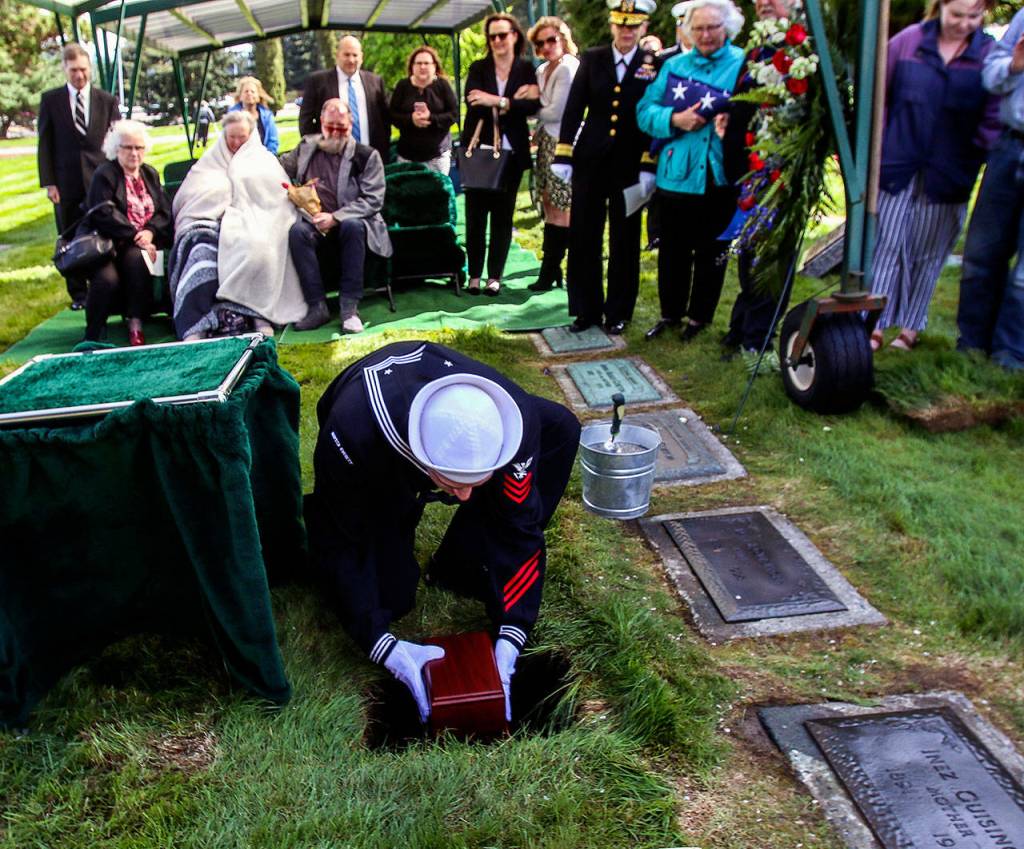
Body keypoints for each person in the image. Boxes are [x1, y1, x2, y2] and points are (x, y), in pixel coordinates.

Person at [305, 340, 580, 723]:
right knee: (392, 596)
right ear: (421, 457)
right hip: (373, 447)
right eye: (452, 483)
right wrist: (380, 644)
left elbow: (520, 527)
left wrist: (514, 627)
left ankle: (461, 566)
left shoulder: (514, 419)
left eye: (477, 481)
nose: (466, 497)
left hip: (432, 412)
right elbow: (340, 540)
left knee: (561, 427)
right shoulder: (354, 433)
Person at [868, 0, 1000, 354]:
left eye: (974, 16)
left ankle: (910, 327)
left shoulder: (988, 53)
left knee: (928, 253)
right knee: (884, 245)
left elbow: (993, 117)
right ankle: (874, 323)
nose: (964, 23)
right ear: (940, 7)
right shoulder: (909, 41)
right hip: (897, 164)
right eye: (957, 15)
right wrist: (877, 150)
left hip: (950, 172)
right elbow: (878, 96)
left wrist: (976, 157)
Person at [637, 0, 745, 342]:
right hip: (676, 174)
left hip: (719, 174)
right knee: (673, 251)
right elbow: (644, 112)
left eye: (713, 27)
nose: (706, 34)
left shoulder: (743, 63)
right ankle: (670, 314)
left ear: (727, 28)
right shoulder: (674, 66)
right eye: (698, 28)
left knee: (713, 251)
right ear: (687, 30)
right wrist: (674, 119)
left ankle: (699, 319)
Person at [553, 0, 660, 335]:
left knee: (624, 240)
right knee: (584, 235)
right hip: (590, 161)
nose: (626, 32)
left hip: (630, 164)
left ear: (643, 27)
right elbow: (574, 107)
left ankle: (618, 311)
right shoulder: (594, 58)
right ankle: (586, 310)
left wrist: (648, 163)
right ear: (613, 25)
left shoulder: (653, 64)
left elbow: (654, 116)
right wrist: (564, 153)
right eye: (621, 25)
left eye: (633, 26)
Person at [169, 111, 307, 341]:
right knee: (200, 254)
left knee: (258, 249)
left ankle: (257, 315)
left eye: (241, 137)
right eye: (231, 137)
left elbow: (276, 199)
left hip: (257, 224)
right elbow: (190, 199)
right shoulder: (209, 162)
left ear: (251, 135)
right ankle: (197, 325)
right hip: (210, 225)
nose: (235, 143)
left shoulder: (264, 160)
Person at [720, 0, 798, 356]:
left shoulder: (800, 47)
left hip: (781, 172)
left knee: (771, 257)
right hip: (748, 171)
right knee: (748, 253)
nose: (763, 3)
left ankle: (758, 335)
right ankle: (742, 326)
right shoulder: (758, 46)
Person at [282, 98, 392, 334]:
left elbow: (373, 199)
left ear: (351, 124)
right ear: (321, 123)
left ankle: (349, 309)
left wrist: (335, 217)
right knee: (297, 232)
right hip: (312, 222)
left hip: (351, 223)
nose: (335, 133)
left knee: (353, 226)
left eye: (341, 128)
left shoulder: (366, 155)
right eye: (330, 127)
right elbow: (280, 168)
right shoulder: (306, 147)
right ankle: (317, 307)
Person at [958, 8, 1024, 369]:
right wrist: (1014, 66)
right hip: (1010, 146)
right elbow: (991, 76)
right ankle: (971, 344)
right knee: (981, 254)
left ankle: (1011, 356)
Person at [462, 13, 540, 296]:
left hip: (512, 154)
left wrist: (497, 100)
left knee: (502, 218)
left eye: (502, 35)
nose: (497, 41)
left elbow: (533, 107)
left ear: (514, 36)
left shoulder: (525, 68)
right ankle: (473, 275)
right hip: (480, 153)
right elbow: (472, 100)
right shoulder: (479, 67)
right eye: (492, 36)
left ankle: (494, 276)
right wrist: (512, 102)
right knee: (475, 218)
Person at [38, 44, 120, 310]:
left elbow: (118, 140)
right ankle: (78, 295)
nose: (79, 76)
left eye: (84, 70)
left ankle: (111, 290)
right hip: (66, 183)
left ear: (90, 69)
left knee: (107, 232)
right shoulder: (51, 100)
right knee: (70, 237)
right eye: (73, 71)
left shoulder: (106, 100)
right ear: (65, 69)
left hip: (101, 180)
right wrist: (50, 182)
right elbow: (45, 144)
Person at [80, 120, 172, 346]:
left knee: (136, 259)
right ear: (116, 149)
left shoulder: (149, 173)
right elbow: (102, 212)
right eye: (128, 147)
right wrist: (134, 235)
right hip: (109, 243)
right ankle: (93, 333)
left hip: (139, 244)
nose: (134, 153)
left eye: (139, 147)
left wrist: (149, 232)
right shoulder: (105, 173)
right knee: (106, 279)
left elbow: (164, 210)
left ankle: (136, 323)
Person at [526, 15, 580, 293]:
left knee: (561, 207)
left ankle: (554, 271)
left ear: (563, 39)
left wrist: (527, 105)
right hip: (546, 141)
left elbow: (555, 112)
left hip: (565, 143)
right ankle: (553, 269)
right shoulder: (543, 69)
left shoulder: (569, 68)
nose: (547, 46)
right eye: (541, 42)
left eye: (551, 39)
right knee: (548, 201)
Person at [298, 35, 391, 161]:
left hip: (369, 158)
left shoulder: (375, 81)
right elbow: (305, 121)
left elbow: (385, 120)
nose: (351, 60)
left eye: (355, 55)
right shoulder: (318, 82)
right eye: (346, 55)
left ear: (362, 57)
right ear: (337, 55)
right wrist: (317, 149)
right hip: (330, 159)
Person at [389, 46, 459, 175]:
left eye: (426, 63)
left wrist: (431, 118)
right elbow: (392, 115)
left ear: (434, 66)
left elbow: (454, 114)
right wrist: (411, 119)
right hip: (407, 156)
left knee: (437, 194)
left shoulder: (443, 85)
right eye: (419, 63)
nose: (422, 66)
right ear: (412, 66)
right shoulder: (402, 86)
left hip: (437, 156)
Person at [228, 77, 280, 154]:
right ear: (240, 96)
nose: (249, 94)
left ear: (258, 96)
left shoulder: (267, 116)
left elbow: (273, 141)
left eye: (253, 91)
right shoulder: (232, 117)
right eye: (246, 91)